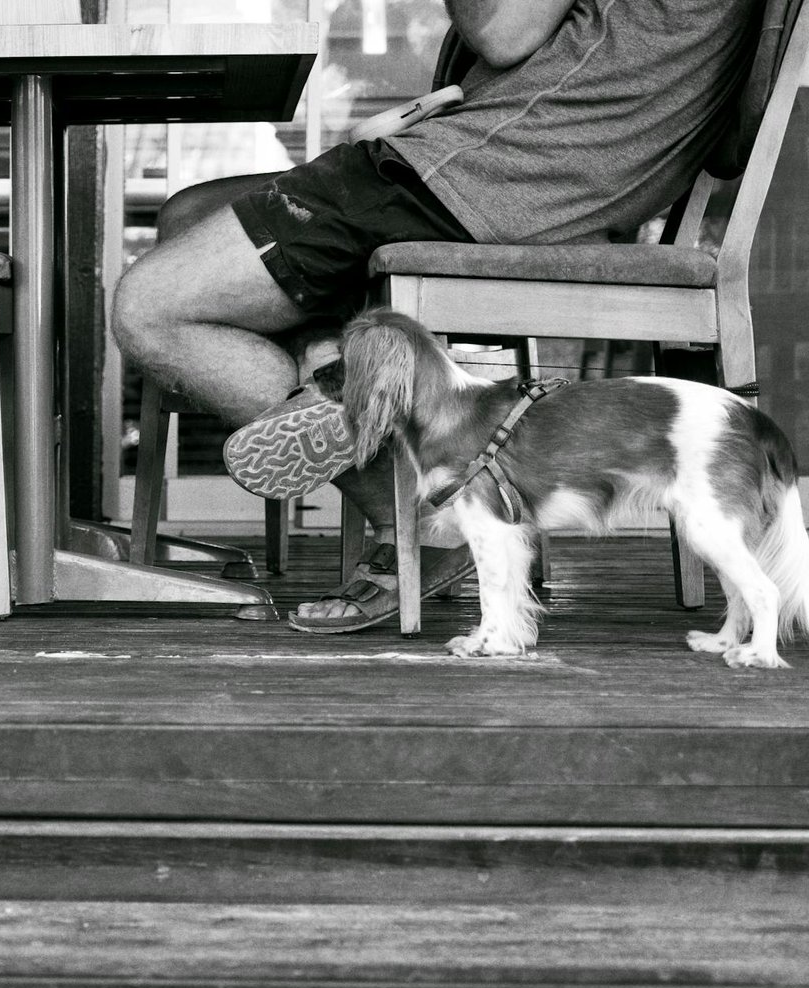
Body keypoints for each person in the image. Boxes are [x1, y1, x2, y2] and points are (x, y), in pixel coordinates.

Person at [111, 0, 760, 631]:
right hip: (520, 166)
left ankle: (428, 514)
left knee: (151, 308)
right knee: (188, 216)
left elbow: (505, 29)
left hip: (503, 175)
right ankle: (332, 366)